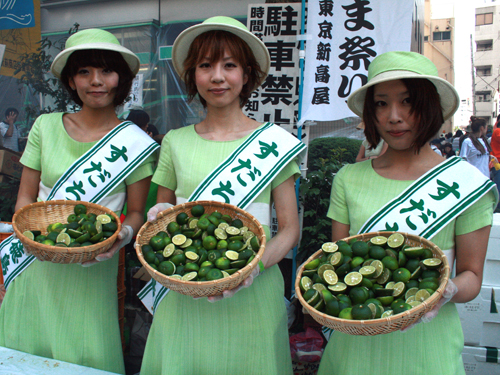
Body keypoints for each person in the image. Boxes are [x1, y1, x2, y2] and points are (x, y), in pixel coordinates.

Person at [319, 51, 497, 375]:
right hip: (354, 348)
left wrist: (448, 290)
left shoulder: (466, 184)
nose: (394, 116)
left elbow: (471, 276)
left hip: (428, 351)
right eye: (381, 103)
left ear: (429, 106)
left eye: (408, 101)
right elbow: (340, 262)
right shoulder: (348, 179)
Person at [140, 16, 301, 374]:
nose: (217, 76)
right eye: (206, 65)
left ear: (247, 74)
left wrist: (252, 269)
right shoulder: (175, 142)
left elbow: (290, 229)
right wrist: (160, 213)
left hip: (255, 294)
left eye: (229, 65)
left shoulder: (273, 143)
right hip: (186, 290)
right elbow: (161, 213)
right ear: (192, 75)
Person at [0, 29, 157, 374]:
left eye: (106, 71)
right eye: (84, 71)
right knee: (24, 355)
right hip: (35, 262)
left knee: (86, 355)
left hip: (92, 267)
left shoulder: (134, 143)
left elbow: (134, 212)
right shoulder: (45, 126)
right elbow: (26, 194)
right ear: (70, 80)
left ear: (121, 79)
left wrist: (122, 238)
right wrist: (27, 229)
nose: (96, 81)